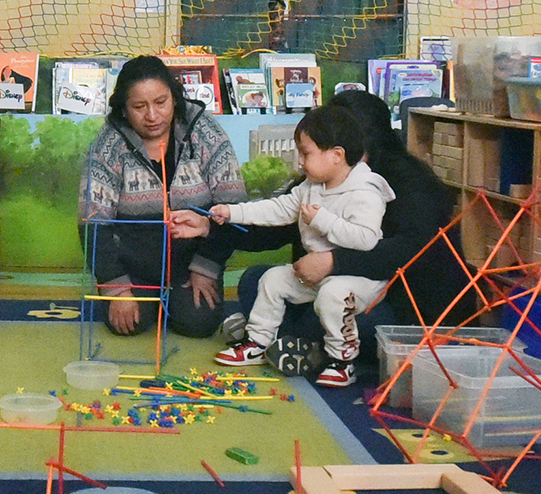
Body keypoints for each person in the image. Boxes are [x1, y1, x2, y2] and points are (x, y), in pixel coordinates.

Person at [224, 87, 470, 364]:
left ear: (345, 150)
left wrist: (333, 262)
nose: (303, 162)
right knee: (255, 281)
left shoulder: (407, 184)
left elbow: (408, 253)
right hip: (324, 290)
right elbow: (277, 222)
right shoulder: (321, 178)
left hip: (387, 302)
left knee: (345, 317)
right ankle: (292, 341)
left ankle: (309, 347)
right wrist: (218, 221)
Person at [209, 104, 393, 388]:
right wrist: (233, 212)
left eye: (306, 154)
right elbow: (279, 209)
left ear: (336, 155)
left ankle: (342, 361)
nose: (300, 162)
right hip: (319, 276)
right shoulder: (311, 186)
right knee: (273, 279)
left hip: (360, 281)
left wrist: (323, 220)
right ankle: (258, 341)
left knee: (332, 296)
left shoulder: (366, 192)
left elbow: (366, 240)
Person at [78, 55, 247, 339]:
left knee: (198, 324)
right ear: (123, 108)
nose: (153, 116)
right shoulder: (107, 145)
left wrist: (207, 267)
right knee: (126, 327)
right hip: (133, 270)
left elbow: (234, 207)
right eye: (139, 107)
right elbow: (92, 224)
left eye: (161, 102)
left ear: (175, 98)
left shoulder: (204, 131)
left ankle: (184, 295)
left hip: (192, 264)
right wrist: (117, 287)